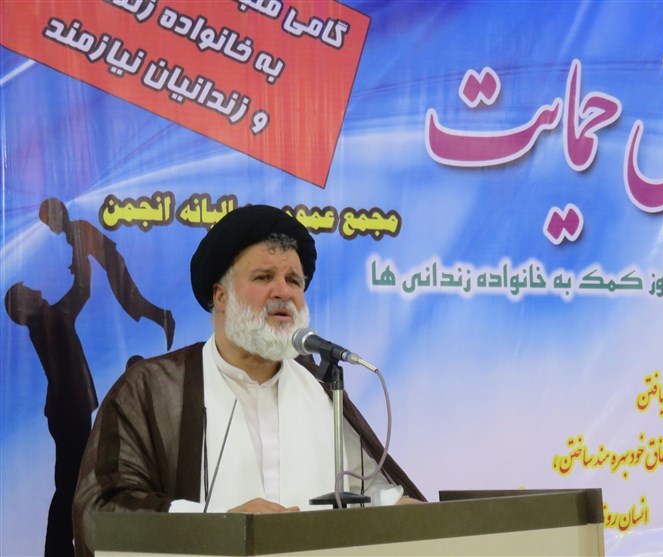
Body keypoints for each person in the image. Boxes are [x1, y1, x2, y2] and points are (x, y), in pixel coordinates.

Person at [72, 205, 425, 556]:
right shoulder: (153, 388)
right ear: (220, 296)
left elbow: (364, 491)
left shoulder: (320, 389)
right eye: (263, 277)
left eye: (294, 280)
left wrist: (402, 511)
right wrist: (221, 526)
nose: (282, 291)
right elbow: (101, 509)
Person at [5, 255, 97, 557]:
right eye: (26, 292)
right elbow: (82, 290)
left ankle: (61, 548)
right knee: (71, 485)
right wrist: (81, 252)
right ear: (23, 309)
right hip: (70, 413)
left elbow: (81, 291)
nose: (34, 290)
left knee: (71, 483)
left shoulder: (48, 319)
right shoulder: (51, 318)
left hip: (68, 412)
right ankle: (59, 550)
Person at [39, 197, 175, 350]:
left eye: (49, 221)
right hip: (112, 266)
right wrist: (75, 265)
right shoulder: (73, 232)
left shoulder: (76, 229)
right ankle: (163, 318)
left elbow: (81, 254)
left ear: (59, 215)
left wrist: (76, 266)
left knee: (132, 301)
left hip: (114, 265)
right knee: (132, 302)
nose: (50, 227)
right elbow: (80, 254)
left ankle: (165, 318)